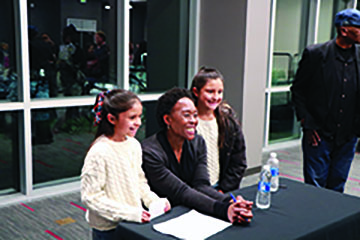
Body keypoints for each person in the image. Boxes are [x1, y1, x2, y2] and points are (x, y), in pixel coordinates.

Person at [141, 87, 253, 224]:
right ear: (168, 119)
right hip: (160, 218)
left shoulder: (198, 142)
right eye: (186, 115)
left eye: (195, 115)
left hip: (190, 210)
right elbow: (181, 191)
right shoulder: (150, 152)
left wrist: (231, 201)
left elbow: (201, 185)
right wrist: (224, 210)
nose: (193, 121)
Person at [81, 89, 170, 240]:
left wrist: (153, 201)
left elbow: (140, 182)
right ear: (111, 118)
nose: (139, 122)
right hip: (109, 229)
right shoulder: (99, 152)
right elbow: (91, 197)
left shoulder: (133, 145)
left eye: (139, 116)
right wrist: (130, 213)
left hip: (132, 223)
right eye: (132, 117)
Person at [290, 8, 360, 193]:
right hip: (318, 134)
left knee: (338, 185)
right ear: (344, 30)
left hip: (347, 136)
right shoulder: (316, 54)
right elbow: (298, 90)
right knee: (315, 188)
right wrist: (307, 122)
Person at [191, 67, 247, 193]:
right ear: (196, 91)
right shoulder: (187, 122)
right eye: (210, 91)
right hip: (194, 190)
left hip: (219, 188)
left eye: (219, 92)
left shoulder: (229, 121)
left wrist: (224, 189)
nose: (215, 97)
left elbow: (238, 161)